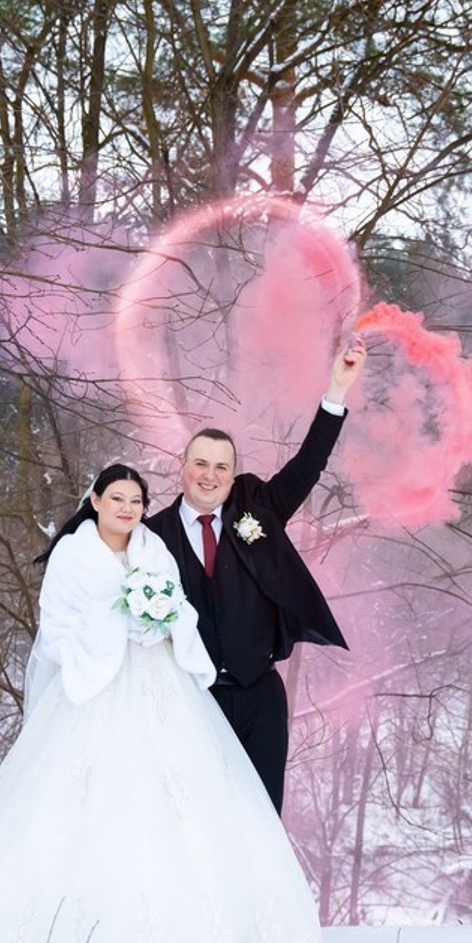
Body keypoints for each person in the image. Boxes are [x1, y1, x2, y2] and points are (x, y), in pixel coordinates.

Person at [0, 464, 324, 943]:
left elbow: (180, 612)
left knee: (179, 803)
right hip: (93, 689)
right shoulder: (72, 555)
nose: (127, 509)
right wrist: (115, 619)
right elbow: (56, 630)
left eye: (136, 500)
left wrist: (158, 619)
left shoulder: (154, 549)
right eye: (118, 498)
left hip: (160, 685)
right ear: (96, 499)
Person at [144, 340, 366, 814]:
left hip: (260, 696)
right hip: (189, 701)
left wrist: (337, 390)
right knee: (193, 822)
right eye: (200, 463)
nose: (210, 475)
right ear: (182, 468)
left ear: (233, 473)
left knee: (260, 821)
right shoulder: (152, 537)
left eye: (221, 466)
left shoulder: (257, 510)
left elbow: (308, 467)